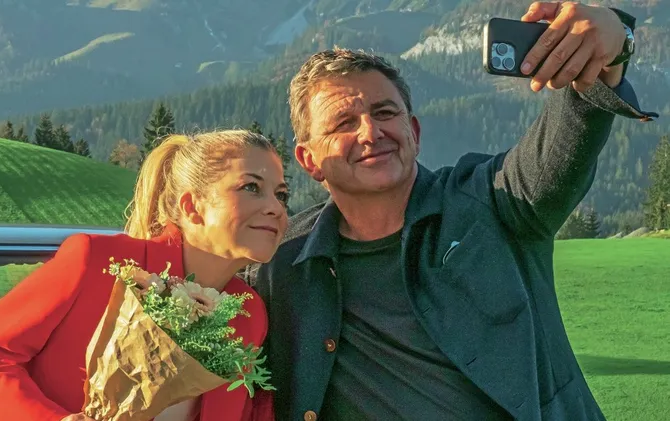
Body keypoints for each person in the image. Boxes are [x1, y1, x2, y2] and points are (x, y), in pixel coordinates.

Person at [247, 2, 658, 421]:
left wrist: (611, 43)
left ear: (414, 132)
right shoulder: (283, 263)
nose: (371, 132)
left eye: (385, 112)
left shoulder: (497, 202)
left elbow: (570, 132)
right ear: (309, 161)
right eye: (343, 123)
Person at [0, 130, 288, 421]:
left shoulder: (250, 314)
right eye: (252, 187)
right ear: (192, 207)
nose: (275, 207)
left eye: (281, 194)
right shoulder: (97, 261)